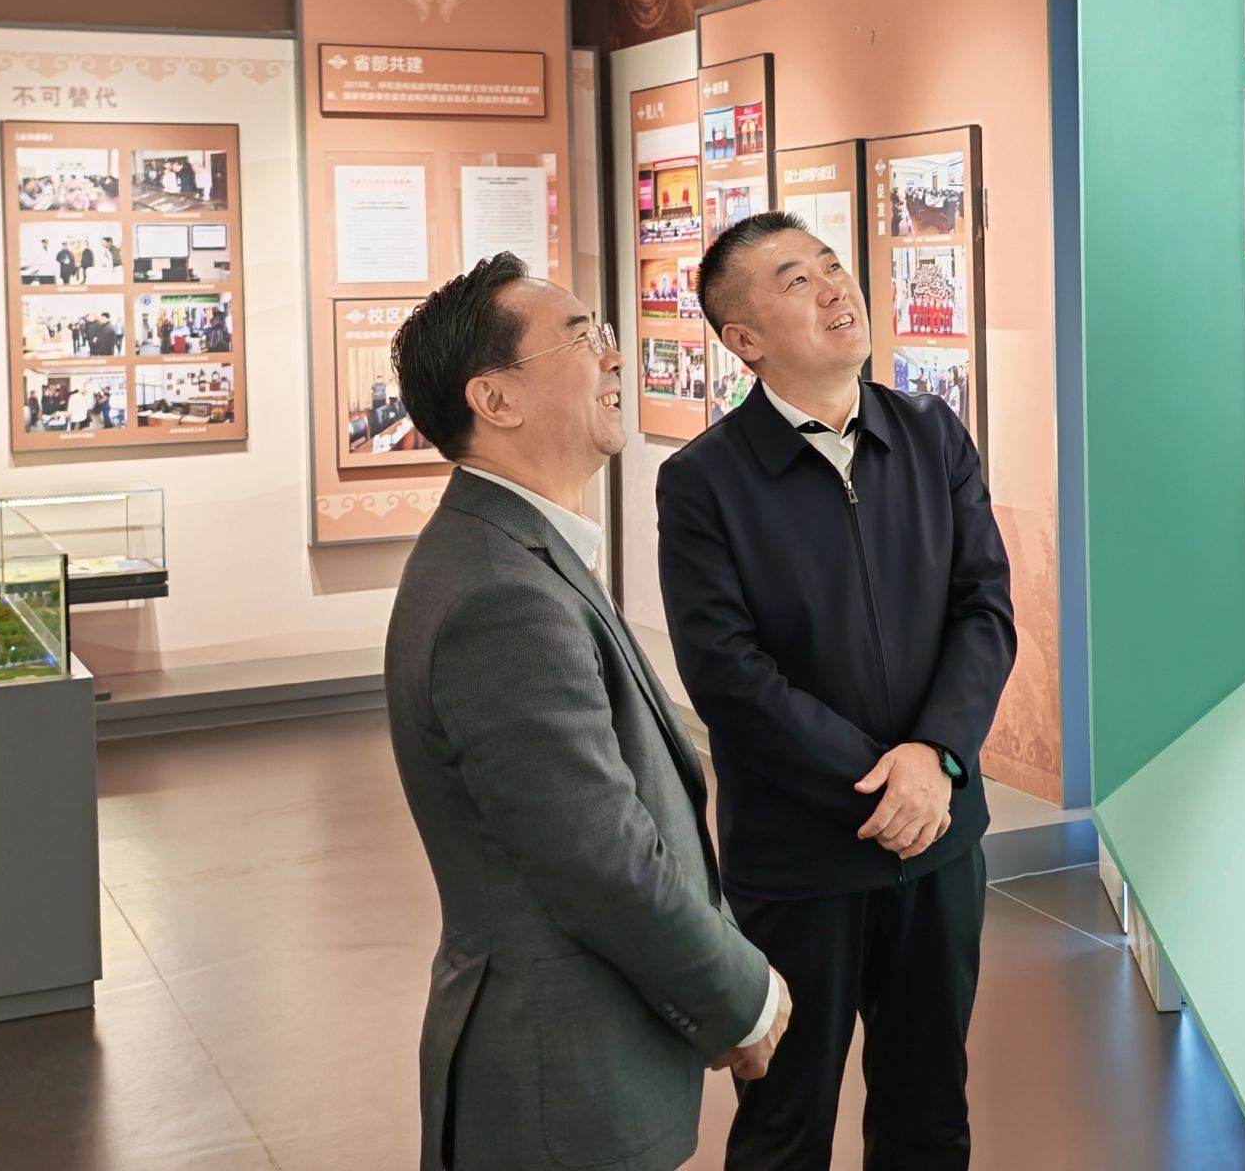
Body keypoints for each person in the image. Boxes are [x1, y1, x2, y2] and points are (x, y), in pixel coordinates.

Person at [382, 254, 788, 1171]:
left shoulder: (513, 552)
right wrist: (743, 994)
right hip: (557, 1090)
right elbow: (600, 857)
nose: (614, 356)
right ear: (495, 400)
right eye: (581, 340)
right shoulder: (501, 595)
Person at [656, 211, 1016, 1170]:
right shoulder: (703, 482)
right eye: (794, 281)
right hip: (802, 860)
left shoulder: (931, 435)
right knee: (785, 1127)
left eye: (830, 266)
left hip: (937, 842)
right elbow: (728, 676)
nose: (833, 288)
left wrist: (935, 761)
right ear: (743, 339)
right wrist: (881, 782)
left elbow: (984, 610)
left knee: (930, 1115)